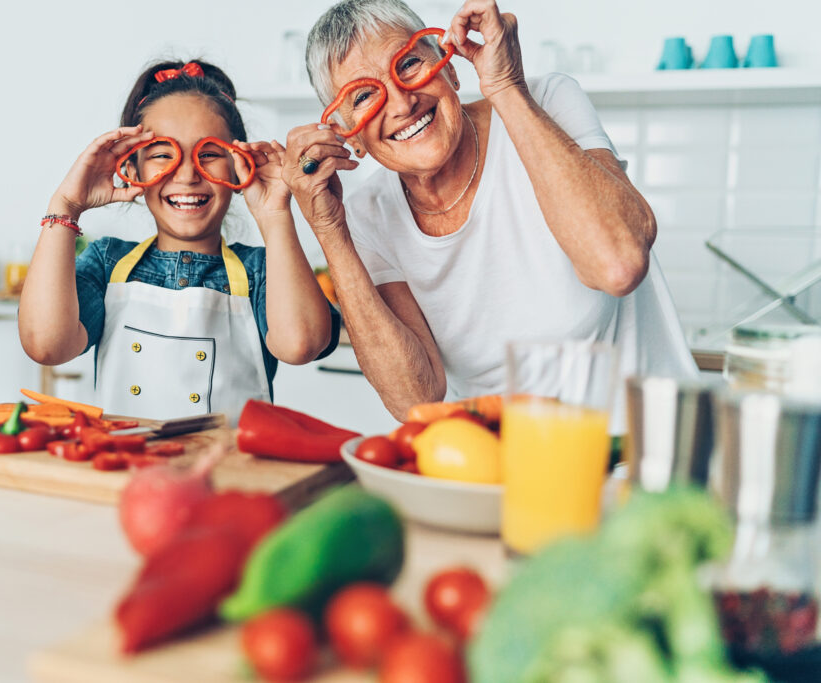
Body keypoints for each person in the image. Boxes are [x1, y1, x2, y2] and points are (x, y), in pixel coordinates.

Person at [281, 0, 697, 429]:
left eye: (408, 64)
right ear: (350, 136)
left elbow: (618, 264)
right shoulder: (369, 214)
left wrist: (504, 85)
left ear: (450, 70)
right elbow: (415, 400)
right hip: (500, 466)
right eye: (364, 96)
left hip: (646, 452)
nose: (402, 103)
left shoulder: (547, 101)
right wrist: (329, 230)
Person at [19, 59, 340, 422]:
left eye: (209, 155)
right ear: (131, 169)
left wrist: (274, 212)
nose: (187, 175)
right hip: (124, 472)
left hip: (231, 474)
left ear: (240, 166)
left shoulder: (262, 271)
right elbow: (46, 345)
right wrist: (66, 206)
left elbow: (301, 344)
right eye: (161, 155)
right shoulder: (106, 263)